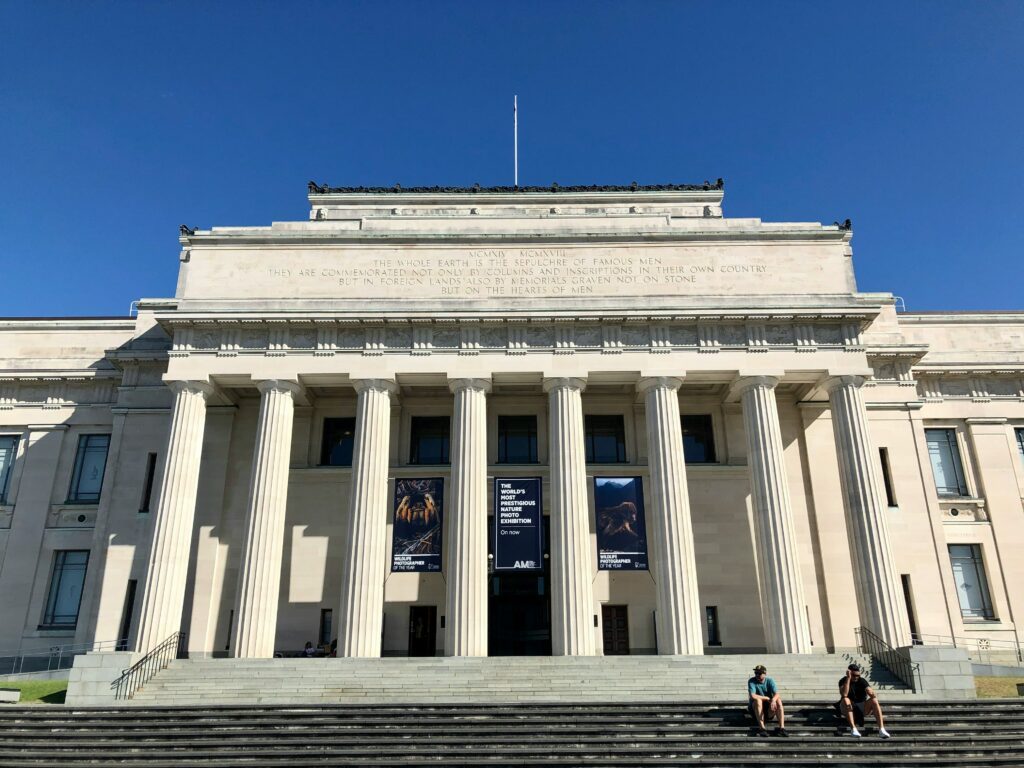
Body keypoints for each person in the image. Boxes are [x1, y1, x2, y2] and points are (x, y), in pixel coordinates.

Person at [838, 663, 890, 738]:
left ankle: (881, 729)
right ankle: (853, 729)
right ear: (849, 673)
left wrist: (871, 693)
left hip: (861, 706)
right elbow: (844, 694)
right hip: (847, 707)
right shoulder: (843, 681)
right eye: (854, 675)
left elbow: (872, 693)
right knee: (846, 699)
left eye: (858, 675)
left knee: (874, 700)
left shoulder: (862, 681)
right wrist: (848, 678)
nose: (856, 677)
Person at [747, 664, 788, 737]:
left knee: (778, 700)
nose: (757, 675)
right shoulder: (752, 681)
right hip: (755, 710)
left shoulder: (769, 681)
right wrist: (766, 698)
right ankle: (762, 728)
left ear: (765, 673)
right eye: (756, 673)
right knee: (758, 700)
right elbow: (752, 695)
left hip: (769, 711)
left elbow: (777, 694)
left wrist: (773, 700)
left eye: (759, 673)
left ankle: (782, 728)